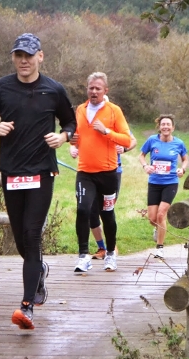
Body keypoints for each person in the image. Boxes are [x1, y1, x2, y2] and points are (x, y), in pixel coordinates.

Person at [0, 33, 76, 330]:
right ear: (13, 58)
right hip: (12, 173)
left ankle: (27, 306)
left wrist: (63, 136)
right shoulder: (1, 87)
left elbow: (71, 122)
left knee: (32, 235)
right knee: (21, 239)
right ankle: (39, 268)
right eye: (19, 55)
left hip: (42, 171)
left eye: (29, 56)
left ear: (40, 56)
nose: (24, 61)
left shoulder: (54, 90)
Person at [72, 72, 132, 273]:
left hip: (108, 173)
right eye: (91, 88)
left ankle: (110, 254)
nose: (94, 91)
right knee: (83, 210)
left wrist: (106, 131)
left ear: (105, 91)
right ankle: (83, 256)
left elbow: (126, 139)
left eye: (98, 88)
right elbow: (78, 136)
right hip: (85, 172)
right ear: (87, 89)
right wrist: (73, 144)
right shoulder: (80, 110)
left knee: (107, 213)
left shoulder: (114, 111)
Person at [139, 114, 189, 259]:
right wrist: (145, 166)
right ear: (159, 127)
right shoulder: (152, 140)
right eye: (163, 124)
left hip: (170, 182)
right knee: (152, 218)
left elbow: (185, 159)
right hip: (154, 182)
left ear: (173, 127)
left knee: (161, 214)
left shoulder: (179, 143)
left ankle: (160, 248)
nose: (165, 127)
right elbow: (141, 155)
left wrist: (182, 169)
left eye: (168, 124)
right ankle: (158, 228)